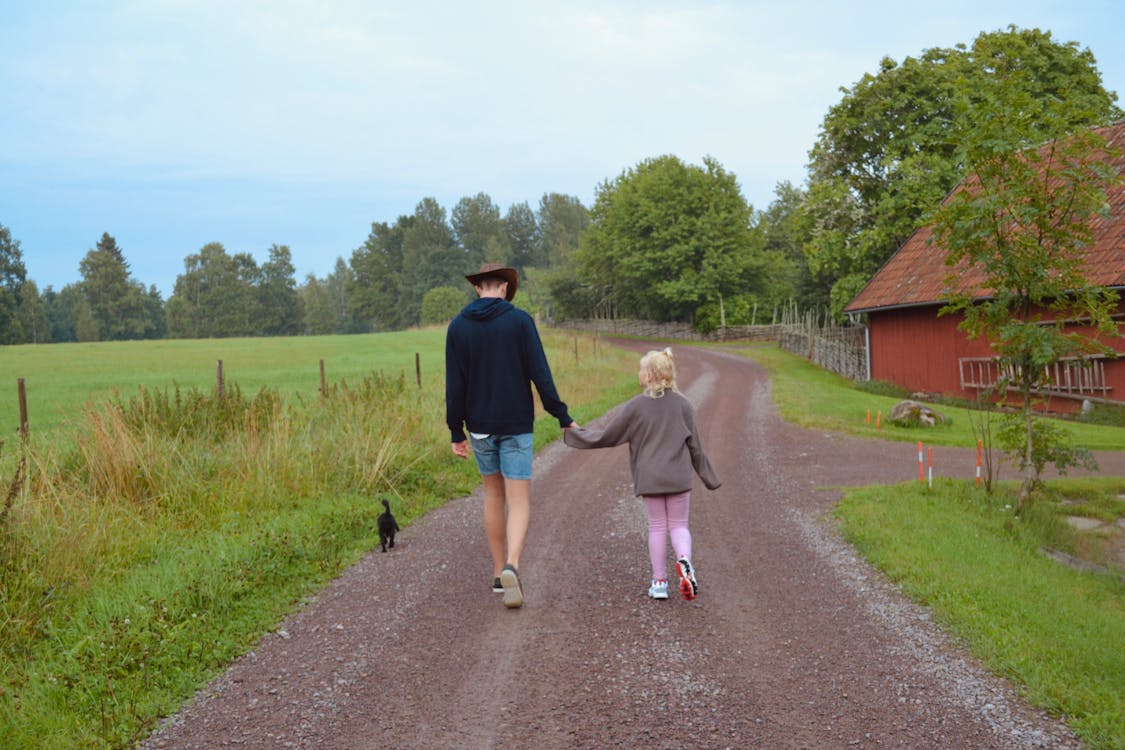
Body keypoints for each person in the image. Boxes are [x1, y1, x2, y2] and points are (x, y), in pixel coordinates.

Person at [445, 263, 576, 609]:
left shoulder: (457, 327)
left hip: (480, 427)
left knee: (492, 496)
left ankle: (496, 574)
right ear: (504, 288)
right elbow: (540, 374)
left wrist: (455, 430)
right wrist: (561, 415)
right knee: (519, 501)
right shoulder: (520, 322)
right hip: (516, 423)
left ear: (478, 288)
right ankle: (512, 566)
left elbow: (454, 384)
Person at [563, 347, 720, 601]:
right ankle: (684, 561)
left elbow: (608, 435)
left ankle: (659, 583)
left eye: (641, 369)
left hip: (650, 479)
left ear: (649, 375)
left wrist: (574, 434)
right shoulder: (684, 405)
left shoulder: (635, 407)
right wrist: (709, 478)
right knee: (679, 525)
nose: (639, 373)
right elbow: (696, 448)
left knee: (657, 527)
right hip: (678, 478)